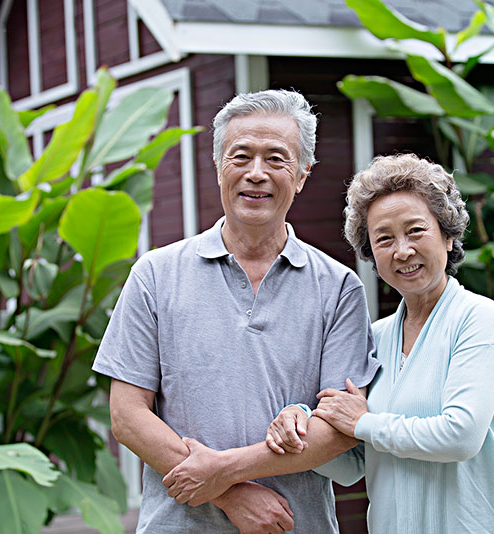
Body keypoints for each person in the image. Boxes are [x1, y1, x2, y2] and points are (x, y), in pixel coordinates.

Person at [92, 89, 380, 534]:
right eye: (240, 156)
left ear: (302, 175)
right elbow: (127, 416)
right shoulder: (155, 274)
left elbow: (339, 428)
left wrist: (223, 469)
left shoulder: (339, 287)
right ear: (218, 167)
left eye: (276, 159)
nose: (256, 173)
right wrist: (230, 494)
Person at [266, 153, 494, 533]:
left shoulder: (479, 320)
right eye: (384, 239)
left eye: (416, 231)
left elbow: (460, 436)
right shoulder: (375, 337)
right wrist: (299, 424)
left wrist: (364, 422)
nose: (402, 250)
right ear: (371, 253)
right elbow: (351, 464)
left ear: (448, 233)